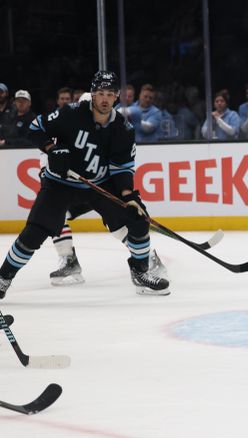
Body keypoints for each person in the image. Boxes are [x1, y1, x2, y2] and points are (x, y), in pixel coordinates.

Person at [0, 70, 170, 299]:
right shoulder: (70, 114)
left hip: (98, 184)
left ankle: (140, 273)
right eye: (100, 93)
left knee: (138, 218)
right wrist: (51, 149)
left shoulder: (123, 129)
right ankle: (3, 278)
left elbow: (121, 168)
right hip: (60, 183)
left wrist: (128, 195)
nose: (104, 98)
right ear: (92, 94)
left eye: (110, 94)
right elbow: (35, 129)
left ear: (117, 96)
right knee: (34, 233)